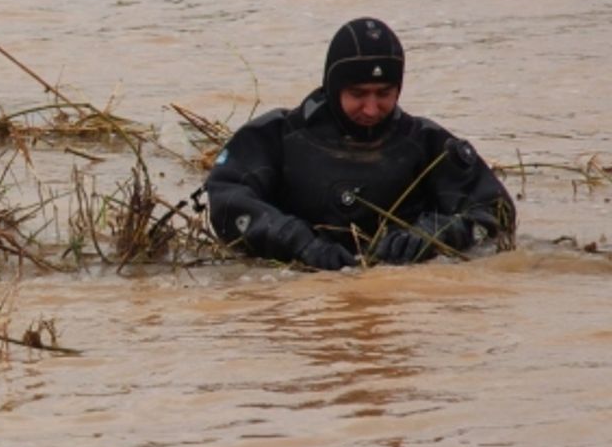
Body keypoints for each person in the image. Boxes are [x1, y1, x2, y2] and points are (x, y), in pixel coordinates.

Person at [204, 16, 515, 270]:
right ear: (333, 85)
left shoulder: (428, 144)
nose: (371, 108)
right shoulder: (275, 136)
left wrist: (433, 235)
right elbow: (224, 197)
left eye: (384, 94)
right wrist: (296, 241)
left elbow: (496, 212)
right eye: (358, 94)